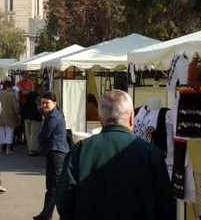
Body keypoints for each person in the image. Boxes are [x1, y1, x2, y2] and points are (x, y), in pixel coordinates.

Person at [55, 90, 175, 220]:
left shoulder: (80, 150)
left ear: (100, 120)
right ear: (131, 117)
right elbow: (165, 206)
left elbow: (64, 202)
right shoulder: (152, 153)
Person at [34, 92, 70, 220]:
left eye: (47, 103)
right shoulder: (53, 114)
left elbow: (45, 134)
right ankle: (46, 213)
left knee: (55, 186)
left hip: (57, 153)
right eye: (43, 103)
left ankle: (52, 214)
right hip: (56, 151)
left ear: (54, 103)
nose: (44, 105)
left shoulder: (54, 116)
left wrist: (40, 140)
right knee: (52, 186)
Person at [0, 80, 20, 154]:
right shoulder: (11, 95)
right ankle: (8, 149)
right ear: (8, 87)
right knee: (10, 132)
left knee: (0, 132)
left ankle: (0, 148)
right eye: (11, 87)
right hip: (10, 116)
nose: (12, 88)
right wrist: (18, 114)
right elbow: (15, 107)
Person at [22, 84, 44, 156]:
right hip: (35, 117)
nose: (43, 91)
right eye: (42, 89)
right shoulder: (38, 97)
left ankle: (29, 148)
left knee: (28, 134)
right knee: (34, 134)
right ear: (39, 89)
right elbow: (39, 107)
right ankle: (33, 149)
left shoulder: (29, 95)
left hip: (26, 116)